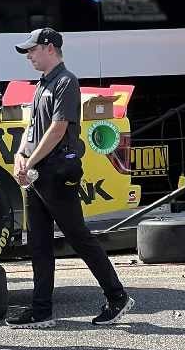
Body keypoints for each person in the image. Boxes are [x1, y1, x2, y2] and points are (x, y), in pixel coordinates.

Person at [9, 27, 135, 328]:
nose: (28, 55)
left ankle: (117, 296)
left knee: (78, 236)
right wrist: (19, 156)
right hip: (39, 172)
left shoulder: (66, 81)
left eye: (33, 49)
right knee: (38, 242)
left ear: (50, 47)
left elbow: (59, 128)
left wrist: (31, 161)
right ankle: (41, 309)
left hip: (56, 171)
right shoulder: (43, 84)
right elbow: (32, 128)